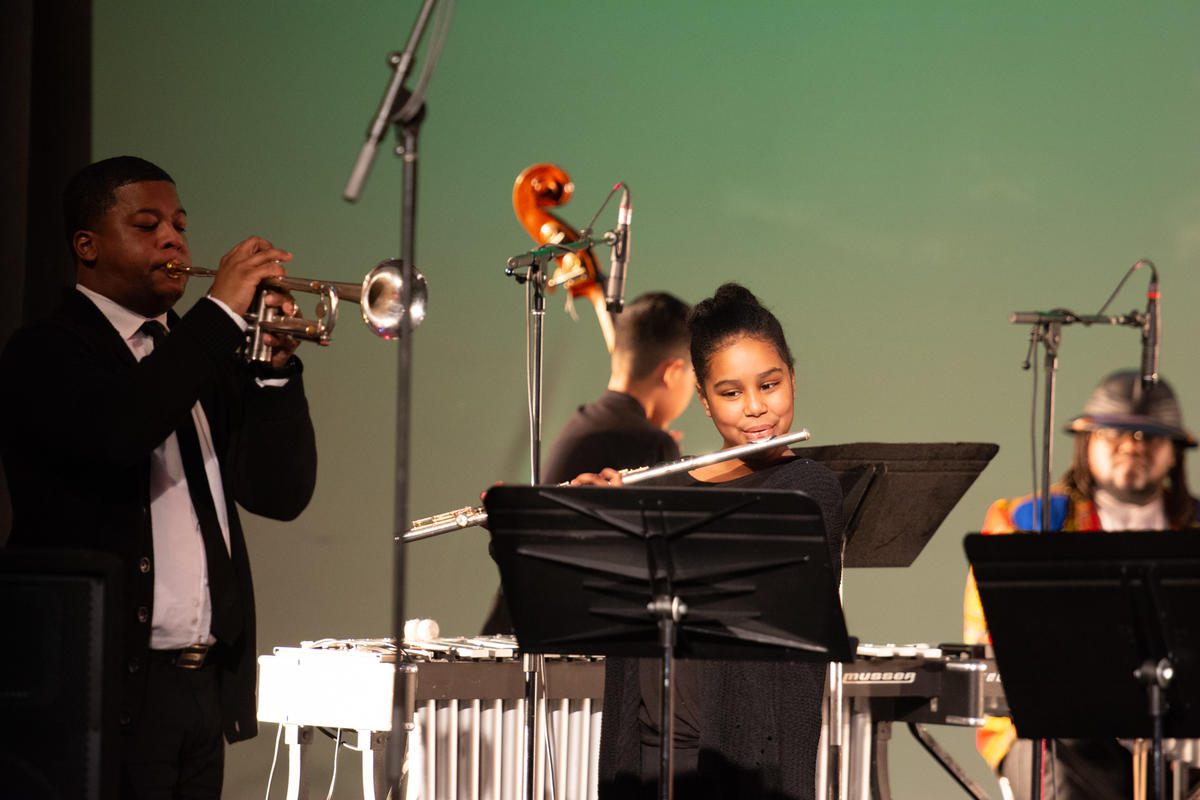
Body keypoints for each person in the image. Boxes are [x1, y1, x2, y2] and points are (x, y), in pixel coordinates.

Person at [0, 156, 318, 798]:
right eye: (147, 226)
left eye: (178, 224)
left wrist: (273, 374)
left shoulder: (198, 358)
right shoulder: (47, 350)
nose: (173, 239)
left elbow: (278, 497)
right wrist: (221, 316)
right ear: (86, 247)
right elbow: (119, 431)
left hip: (199, 689)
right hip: (95, 690)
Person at [576, 283, 845, 799]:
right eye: (730, 393)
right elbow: (599, 604)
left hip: (745, 764)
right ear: (702, 398)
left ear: (793, 378)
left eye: (770, 385)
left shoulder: (808, 487)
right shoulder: (663, 487)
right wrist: (591, 522)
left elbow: (741, 567)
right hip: (649, 753)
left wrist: (641, 525)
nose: (755, 409)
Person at [963, 370, 1200, 799]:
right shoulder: (1028, 522)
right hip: (1061, 731)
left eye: (1149, 437)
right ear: (1087, 442)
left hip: (1182, 726)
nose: (1132, 446)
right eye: (1115, 435)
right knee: (1056, 745)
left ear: (1174, 452)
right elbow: (995, 643)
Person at [480, 291, 694, 634]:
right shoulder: (651, 442)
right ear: (672, 373)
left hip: (516, 625)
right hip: (554, 649)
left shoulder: (583, 422)